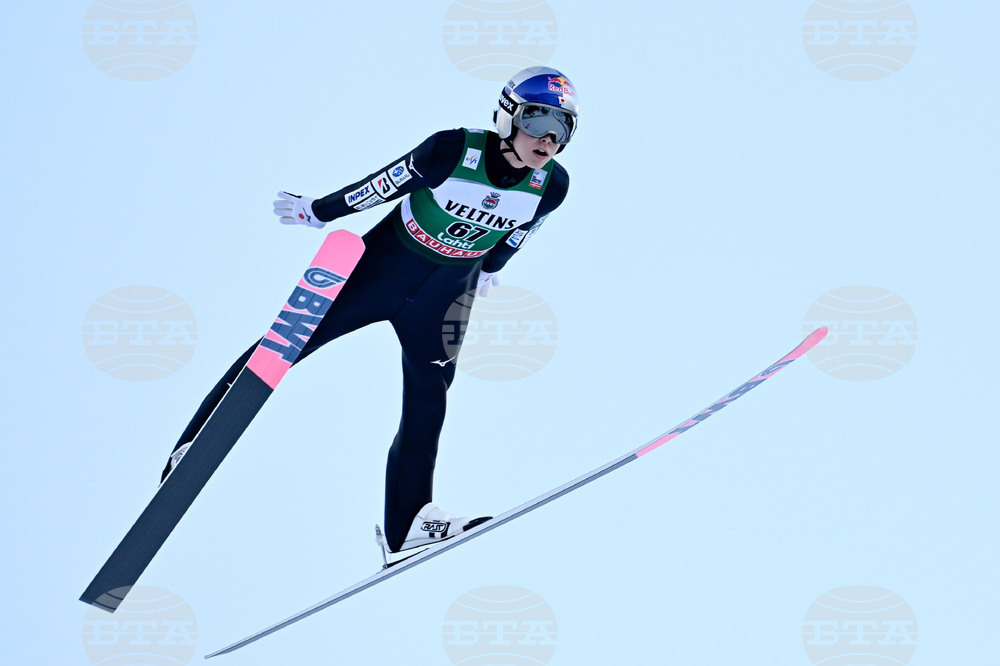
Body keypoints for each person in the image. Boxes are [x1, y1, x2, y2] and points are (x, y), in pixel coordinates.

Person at [161, 66, 578, 563]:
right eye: (537, 120)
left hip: (445, 295)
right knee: (284, 344)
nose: (548, 138)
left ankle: (410, 522)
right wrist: (321, 211)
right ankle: (196, 442)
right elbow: (380, 186)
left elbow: (522, 230)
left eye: (563, 128)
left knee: (430, 398)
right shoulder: (451, 150)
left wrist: (493, 267)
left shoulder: (552, 185)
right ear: (508, 115)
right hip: (382, 271)